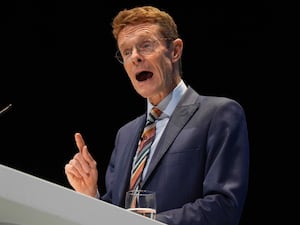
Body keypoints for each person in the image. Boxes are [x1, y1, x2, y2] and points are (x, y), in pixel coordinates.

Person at [64, 5, 250, 225]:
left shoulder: (219, 115)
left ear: (175, 50)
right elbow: (115, 216)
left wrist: (145, 223)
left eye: (146, 45)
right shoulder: (125, 135)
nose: (135, 58)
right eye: (126, 52)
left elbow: (223, 207)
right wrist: (91, 195)